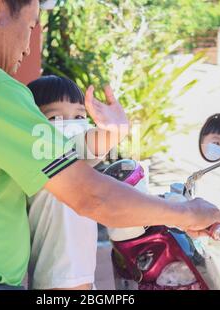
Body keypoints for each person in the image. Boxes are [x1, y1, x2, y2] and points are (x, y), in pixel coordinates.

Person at [0, 0, 220, 290]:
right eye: (29, 26)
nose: (28, 45)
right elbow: (91, 196)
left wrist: (107, 135)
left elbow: (47, 150)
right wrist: (186, 214)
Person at [27, 75, 129, 290]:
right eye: (55, 118)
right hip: (58, 283)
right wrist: (114, 132)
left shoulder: (76, 161)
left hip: (81, 280)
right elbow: (88, 143)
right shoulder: (44, 152)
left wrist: (113, 132)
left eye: (79, 116)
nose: (70, 125)